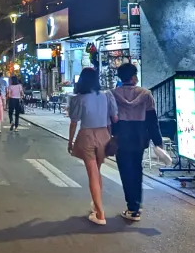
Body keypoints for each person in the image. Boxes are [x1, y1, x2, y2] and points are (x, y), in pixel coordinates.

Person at [111, 63, 165, 222]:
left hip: (121, 136)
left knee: (125, 172)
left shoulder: (112, 95)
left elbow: (110, 119)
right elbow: (152, 121)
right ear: (134, 77)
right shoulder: (146, 95)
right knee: (137, 169)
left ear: (121, 77)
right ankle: (137, 205)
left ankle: (132, 207)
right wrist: (158, 142)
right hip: (140, 136)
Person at [67, 67, 118, 226]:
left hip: (87, 135)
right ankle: (96, 205)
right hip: (104, 135)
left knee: (92, 174)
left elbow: (74, 122)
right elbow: (114, 118)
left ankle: (100, 214)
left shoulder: (79, 99)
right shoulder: (107, 96)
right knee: (97, 171)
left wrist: (70, 141)